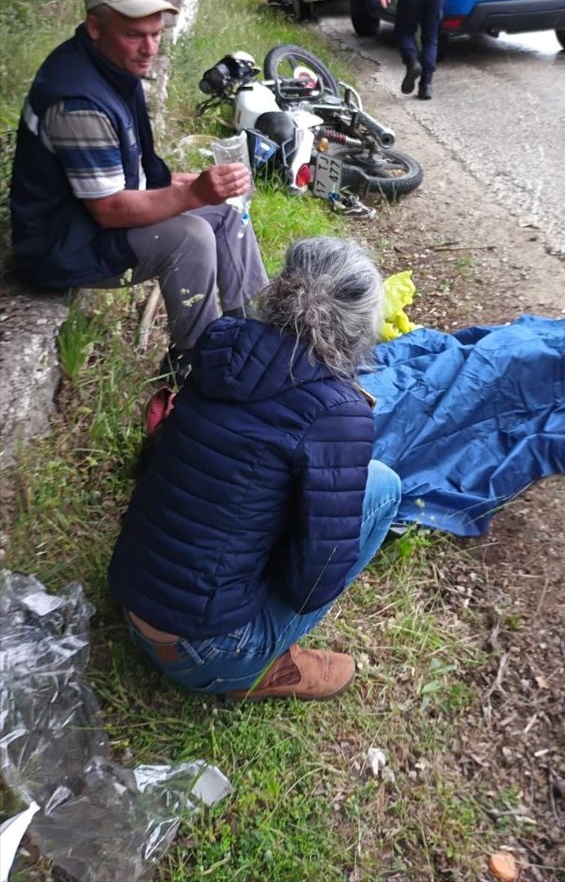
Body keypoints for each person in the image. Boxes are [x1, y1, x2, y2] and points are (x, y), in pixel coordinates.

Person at [108, 236, 402, 700]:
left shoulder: (224, 339)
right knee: (383, 485)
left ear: (283, 286)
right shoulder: (339, 412)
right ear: (359, 328)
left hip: (132, 595)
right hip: (205, 652)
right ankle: (263, 667)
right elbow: (311, 585)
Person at [9, 0, 268, 381]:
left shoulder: (107, 66)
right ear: (95, 27)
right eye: (134, 35)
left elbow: (118, 174)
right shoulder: (79, 100)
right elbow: (110, 209)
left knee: (227, 213)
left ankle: (256, 334)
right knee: (190, 236)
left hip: (84, 221)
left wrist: (185, 185)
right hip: (60, 245)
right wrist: (192, 194)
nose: (149, 48)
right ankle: (195, 367)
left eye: (156, 33)